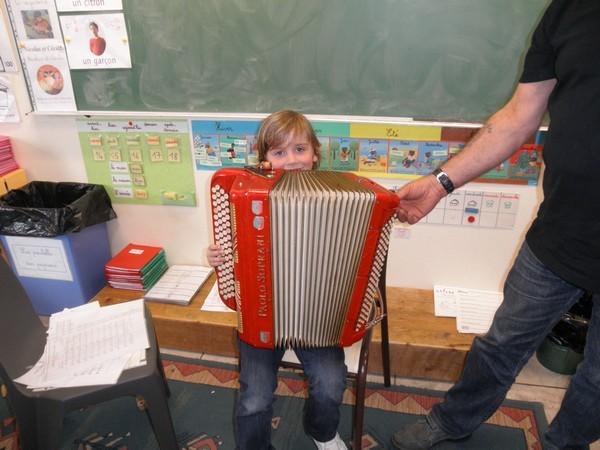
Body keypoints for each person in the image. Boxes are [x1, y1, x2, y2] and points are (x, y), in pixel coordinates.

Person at [392, 1, 600, 449]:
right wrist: (438, 183)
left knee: (599, 379)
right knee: (500, 343)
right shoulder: (570, 9)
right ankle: (453, 420)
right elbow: (519, 115)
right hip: (561, 232)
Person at [207, 110, 348, 450]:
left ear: (315, 153)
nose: (292, 160)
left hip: (316, 314)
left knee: (330, 385)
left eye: (300, 149)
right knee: (254, 398)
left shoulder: (340, 198)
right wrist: (219, 257)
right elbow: (234, 250)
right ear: (265, 159)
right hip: (261, 313)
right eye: (279, 152)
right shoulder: (246, 197)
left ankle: (322, 432)